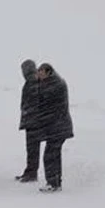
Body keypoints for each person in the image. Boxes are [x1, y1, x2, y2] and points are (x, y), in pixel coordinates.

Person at [32, 63, 73, 192]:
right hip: (57, 126)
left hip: (58, 127)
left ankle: (53, 183)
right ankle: (55, 181)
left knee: (50, 155)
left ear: (47, 72)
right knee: (53, 154)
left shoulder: (54, 85)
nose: (38, 74)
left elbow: (44, 102)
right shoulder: (54, 83)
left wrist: (38, 85)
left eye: (40, 71)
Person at [16, 59, 41, 182]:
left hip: (33, 122)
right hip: (34, 121)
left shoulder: (32, 82)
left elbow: (32, 103)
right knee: (32, 149)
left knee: (32, 149)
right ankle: (30, 171)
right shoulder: (34, 81)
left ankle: (31, 173)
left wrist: (28, 115)